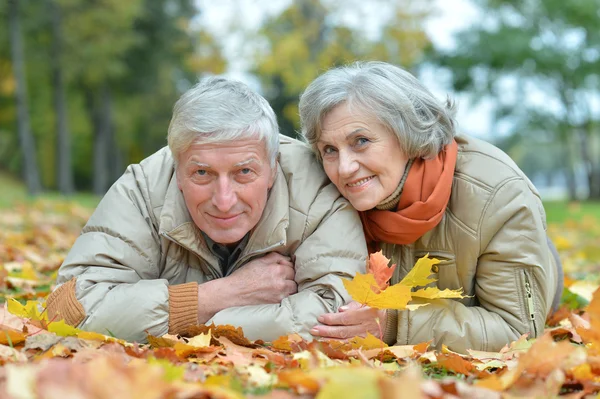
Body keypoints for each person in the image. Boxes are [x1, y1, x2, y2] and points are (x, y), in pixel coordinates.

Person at [46, 77, 367, 343]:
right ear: (178, 168)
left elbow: (338, 317)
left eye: (244, 173)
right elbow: (69, 310)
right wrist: (218, 296)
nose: (224, 200)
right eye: (202, 173)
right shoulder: (144, 187)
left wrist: (181, 324)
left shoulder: (315, 187)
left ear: (272, 167)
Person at [299, 61, 563, 353]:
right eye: (330, 150)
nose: (345, 168)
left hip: (531, 271)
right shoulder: (322, 192)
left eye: (361, 141)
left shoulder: (499, 194)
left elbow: (518, 329)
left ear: (407, 133)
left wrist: (393, 323)